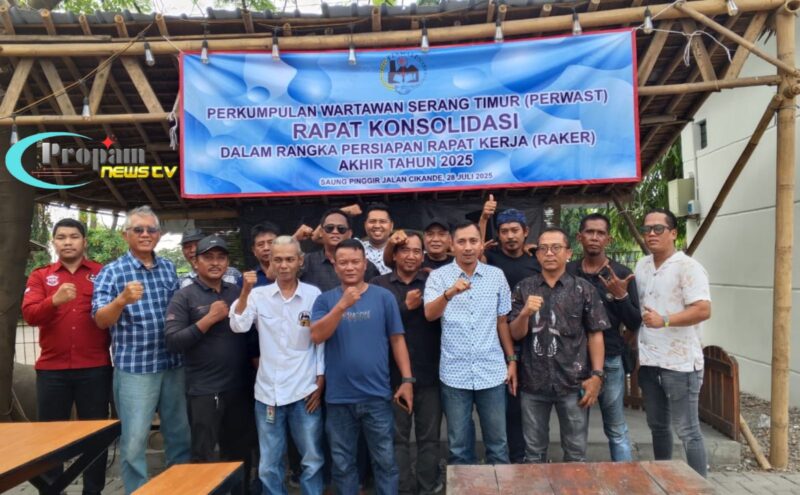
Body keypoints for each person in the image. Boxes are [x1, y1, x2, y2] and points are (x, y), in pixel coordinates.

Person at [92, 206, 190, 493]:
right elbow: (100, 320)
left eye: (151, 230)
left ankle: (180, 486)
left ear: (159, 235)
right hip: (136, 369)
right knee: (134, 440)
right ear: (126, 235)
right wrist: (121, 300)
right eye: (139, 229)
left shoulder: (169, 268)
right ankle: (137, 490)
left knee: (179, 434)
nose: (146, 234)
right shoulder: (112, 272)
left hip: (173, 363)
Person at [310, 239, 414, 495]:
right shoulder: (325, 300)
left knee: (385, 461)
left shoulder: (384, 297)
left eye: (355, 262)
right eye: (343, 262)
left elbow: (397, 339)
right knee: (343, 464)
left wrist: (407, 381)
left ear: (365, 264)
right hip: (338, 399)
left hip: (377, 396)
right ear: (335, 266)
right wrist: (342, 305)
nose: (349, 267)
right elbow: (316, 336)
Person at [22, 218, 111, 495]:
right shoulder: (40, 275)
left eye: (74, 236)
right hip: (52, 370)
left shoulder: (102, 273)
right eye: (61, 237)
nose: (68, 242)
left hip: (95, 368)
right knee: (51, 438)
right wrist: (54, 301)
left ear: (84, 242)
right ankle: (50, 490)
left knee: (96, 435)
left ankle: (93, 490)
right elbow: (29, 314)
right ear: (54, 242)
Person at [230, 236, 325, 494]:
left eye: (289, 259)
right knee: (269, 465)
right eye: (278, 259)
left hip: (304, 391)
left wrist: (320, 379)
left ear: (300, 261)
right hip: (268, 393)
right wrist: (245, 291)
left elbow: (319, 341)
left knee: (312, 460)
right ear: (270, 261)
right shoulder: (258, 295)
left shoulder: (313, 295)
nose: (284, 265)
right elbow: (238, 325)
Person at [508, 226, 608, 463]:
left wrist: (597, 375)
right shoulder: (524, 288)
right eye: (543, 248)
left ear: (568, 253)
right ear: (537, 254)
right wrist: (524, 314)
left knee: (575, 453)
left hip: (573, 384)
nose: (549, 253)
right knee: (533, 453)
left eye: (556, 248)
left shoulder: (584, 289)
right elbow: (514, 333)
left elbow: (596, 334)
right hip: (532, 383)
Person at [424, 221, 517, 465]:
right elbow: (430, 314)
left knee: (498, 445)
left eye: (473, 241)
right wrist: (450, 293)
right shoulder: (438, 276)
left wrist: (512, 359)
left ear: (481, 244)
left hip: (492, 372)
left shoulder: (496, 276)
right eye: (461, 242)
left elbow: (502, 322)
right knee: (458, 447)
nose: (468, 247)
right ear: (451, 245)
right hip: (454, 373)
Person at [164, 236, 252, 472]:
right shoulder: (184, 296)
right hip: (204, 391)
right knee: (203, 455)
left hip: (238, 388)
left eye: (221, 257)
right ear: (195, 262)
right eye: (208, 257)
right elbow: (173, 341)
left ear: (227, 262)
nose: (215, 263)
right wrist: (208, 319)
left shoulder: (236, 292)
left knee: (240, 454)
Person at [635, 208, 711, 477]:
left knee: (688, 430)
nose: (651, 234)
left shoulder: (688, 267)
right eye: (647, 229)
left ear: (674, 233)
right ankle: (664, 479)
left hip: (680, 364)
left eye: (658, 229)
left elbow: (703, 309)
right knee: (657, 426)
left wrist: (665, 320)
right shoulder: (642, 266)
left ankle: (700, 486)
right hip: (649, 361)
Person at [371, 232, 442, 495]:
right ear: (394, 255)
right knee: (397, 439)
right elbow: (374, 325)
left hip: (430, 373)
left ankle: (427, 487)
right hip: (391, 376)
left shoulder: (433, 281)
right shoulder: (379, 284)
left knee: (429, 439)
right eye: (405, 250)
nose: (411, 255)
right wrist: (405, 307)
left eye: (416, 251)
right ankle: (402, 489)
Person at [566, 213, 641, 462]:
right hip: (574, 361)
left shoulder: (620, 273)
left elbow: (634, 322)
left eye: (600, 233)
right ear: (580, 237)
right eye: (589, 232)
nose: (594, 237)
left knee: (616, 428)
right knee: (575, 430)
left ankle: (625, 484)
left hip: (609, 359)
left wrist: (620, 295)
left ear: (608, 239)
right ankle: (576, 482)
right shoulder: (569, 272)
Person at [480, 205, 540, 464]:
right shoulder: (490, 258)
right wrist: (484, 219)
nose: (510, 236)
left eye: (515, 230)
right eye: (504, 231)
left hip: (533, 339)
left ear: (526, 232)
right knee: (507, 404)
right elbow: (476, 251)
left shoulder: (536, 260)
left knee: (529, 403)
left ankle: (528, 455)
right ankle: (508, 457)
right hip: (499, 339)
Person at [302, 208, 379, 291]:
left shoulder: (365, 266)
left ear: (350, 234)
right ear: (321, 232)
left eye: (341, 228)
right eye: (329, 228)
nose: (335, 232)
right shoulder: (307, 262)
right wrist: (295, 238)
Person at [383, 219, 454, 272]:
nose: (435, 239)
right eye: (430, 234)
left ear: (450, 239)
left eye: (441, 234)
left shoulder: (457, 263)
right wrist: (391, 243)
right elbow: (389, 262)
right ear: (423, 238)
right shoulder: (416, 259)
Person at [360, 203, 394, 275]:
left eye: (382, 221)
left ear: (391, 226)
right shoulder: (357, 249)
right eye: (372, 221)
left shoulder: (400, 249)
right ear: (365, 225)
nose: (377, 226)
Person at [250, 222, 281, 287]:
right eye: (260, 244)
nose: (266, 248)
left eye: (271, 243)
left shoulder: (294, 273)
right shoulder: (247, 280)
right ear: (254, 251)